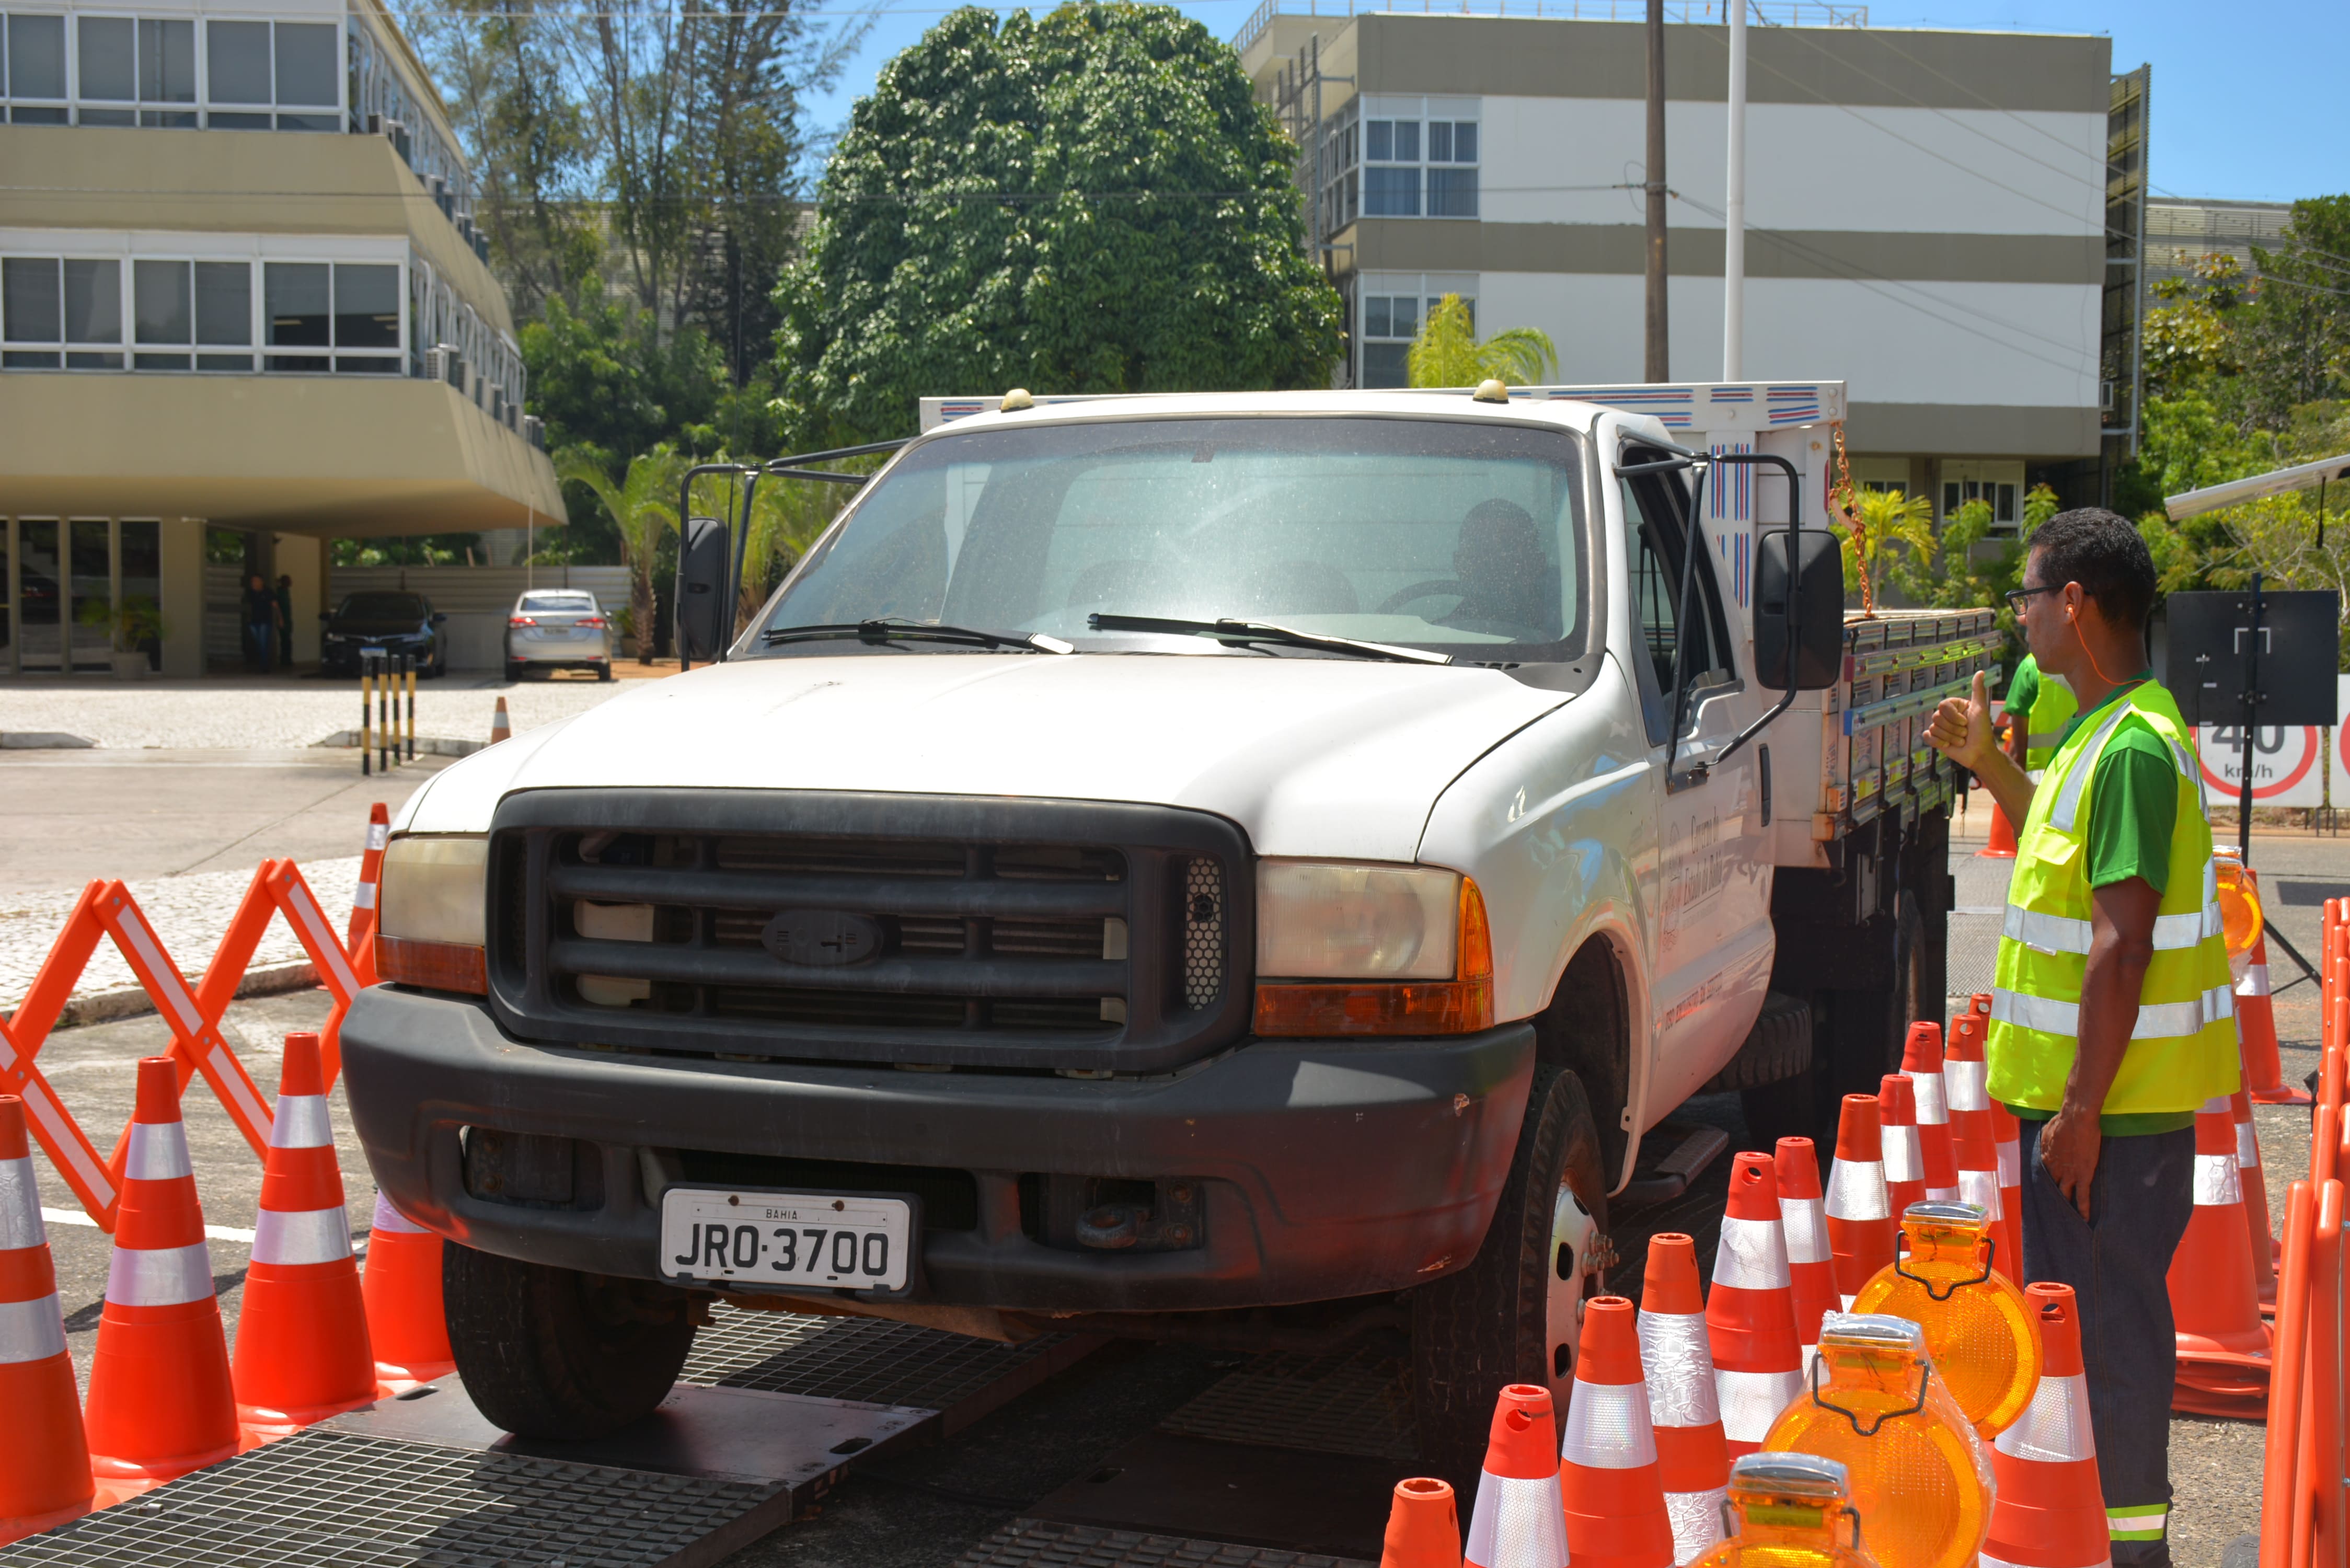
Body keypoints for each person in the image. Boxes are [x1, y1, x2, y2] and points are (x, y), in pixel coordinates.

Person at [1927, 508, 2237, 1568]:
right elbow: (2065, 878)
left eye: (2025, 596)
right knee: (2089, 1338)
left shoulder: (2135, 750)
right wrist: (1989, 766)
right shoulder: (2094, 738)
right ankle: (2102, 1540)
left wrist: (2077, 1113)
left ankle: (2131, 1551)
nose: (2017, 619)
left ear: (2072, 604)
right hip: (2097, 1115)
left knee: (2109, 1350)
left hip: (2112, 1122)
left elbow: (2121, 945)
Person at [2001, 651, 2078, 783]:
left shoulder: (2030, 667)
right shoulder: (2094, 664)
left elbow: (2018, 754)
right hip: (2082, 772)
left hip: (2040, 779)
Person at [241, 573, 277, 675]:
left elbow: (275, 606)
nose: (254, 583)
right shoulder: (250, 593)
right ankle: (263, 663)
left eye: (256, 581)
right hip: (254, 622)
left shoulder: (268, 592)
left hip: (265, 621)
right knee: (259, 643)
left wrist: (280, 619)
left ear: (262, 582)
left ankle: (265, 667)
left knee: (264, 643)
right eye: (253, 581)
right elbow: (246, 606)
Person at [274, 575, 296, 669]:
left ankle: (287, 659)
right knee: (285, 640)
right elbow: (278, 607)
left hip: (288, 619)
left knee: (287, 640)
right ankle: (285, 660)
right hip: (283, 619)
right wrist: (280, 619)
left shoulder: (286, 592)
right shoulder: (280, 592)